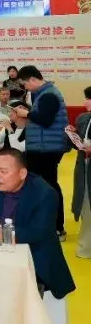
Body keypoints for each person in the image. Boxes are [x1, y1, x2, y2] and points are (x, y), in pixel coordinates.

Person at [0, 149, 75, 300]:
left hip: (31, 258)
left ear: (22, 173)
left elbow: (37, 232)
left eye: (3, 171)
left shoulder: (44, 193)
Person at [14, 65, 70, 236]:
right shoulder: (43, 94)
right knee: (44, 186)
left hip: (46, 149)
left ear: (32, 79)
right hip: (42, 147)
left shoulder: (48, 95)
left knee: (48, 187)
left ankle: (56, 226)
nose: (25, 88)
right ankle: (49, 224)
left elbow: (45, 120)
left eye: (25, 84)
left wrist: (26, 114)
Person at [71, 86, 91, 258]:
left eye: (89, 99)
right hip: (84, 168)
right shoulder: (84, 118)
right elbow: (78, 142)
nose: (85, 102)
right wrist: (72, 134)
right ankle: (86, 247)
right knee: (86, 207)